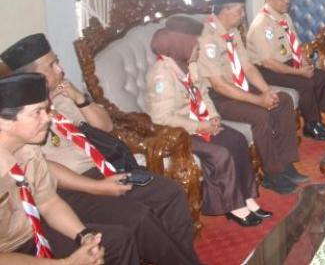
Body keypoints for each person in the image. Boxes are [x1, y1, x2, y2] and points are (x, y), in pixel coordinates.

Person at [0, 33, 200, 265]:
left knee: (169, 192)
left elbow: (106, 126)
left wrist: (80, 99)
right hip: (72, 185)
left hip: (101, 170)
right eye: (52, 65)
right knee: (136, 218)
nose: (60, 70)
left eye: (57, 62)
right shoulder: (22, 128)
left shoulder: (55, 101)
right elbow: (49, 179)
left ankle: (183, 258)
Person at [146, 16, 271, 227]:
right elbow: (162, 118)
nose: (199, 48)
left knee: (237, 139)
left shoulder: (189, 65)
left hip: (200, 120)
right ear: (181, 44)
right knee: (220, 153)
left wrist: (213, 117)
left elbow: (203, 93)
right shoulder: (162, 75)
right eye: (195, 43)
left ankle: (246, 196)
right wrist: (199, 126)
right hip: (177, 131)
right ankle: (233, 205)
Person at [0, 72, 137, 264]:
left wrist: (84, 236)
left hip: (33, 235)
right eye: (37, 112)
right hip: (7, 253)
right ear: (4, 121)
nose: (47, 119)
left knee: (116, 241)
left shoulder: (29, 149)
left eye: (46, 110)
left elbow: (49, 203)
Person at [197, 0, 304, 195]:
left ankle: (285, 164)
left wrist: (267, 91)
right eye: (240, 10)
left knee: (282, 100)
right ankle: (272, 175)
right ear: (225, 11)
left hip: (239, 86)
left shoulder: (233, 31)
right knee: (260, 114)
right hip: (217, 97)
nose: (243, 14)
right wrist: (258, 101)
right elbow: (219, 85)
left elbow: (247, 67)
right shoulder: (206, 37)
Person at [247, 0, 325, 141]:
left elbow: (295, 45)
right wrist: (299, 72)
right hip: (266, 70)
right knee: (306, 84)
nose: (286, 1)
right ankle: (311, 126)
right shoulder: (262, 24)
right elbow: (268, 62)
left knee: (321, 76)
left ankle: (317, 120)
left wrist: (304, 62)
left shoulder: (284, 17)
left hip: (285, 62)